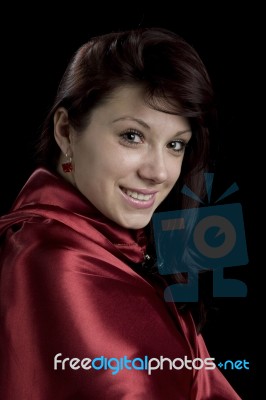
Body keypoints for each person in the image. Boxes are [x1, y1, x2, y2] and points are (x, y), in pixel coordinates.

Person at [0, 27, 242, 399]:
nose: (159, 172)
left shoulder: (126, 245)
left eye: (176, 144)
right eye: (132, 136)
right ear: (66, 131)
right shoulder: (53, 261)